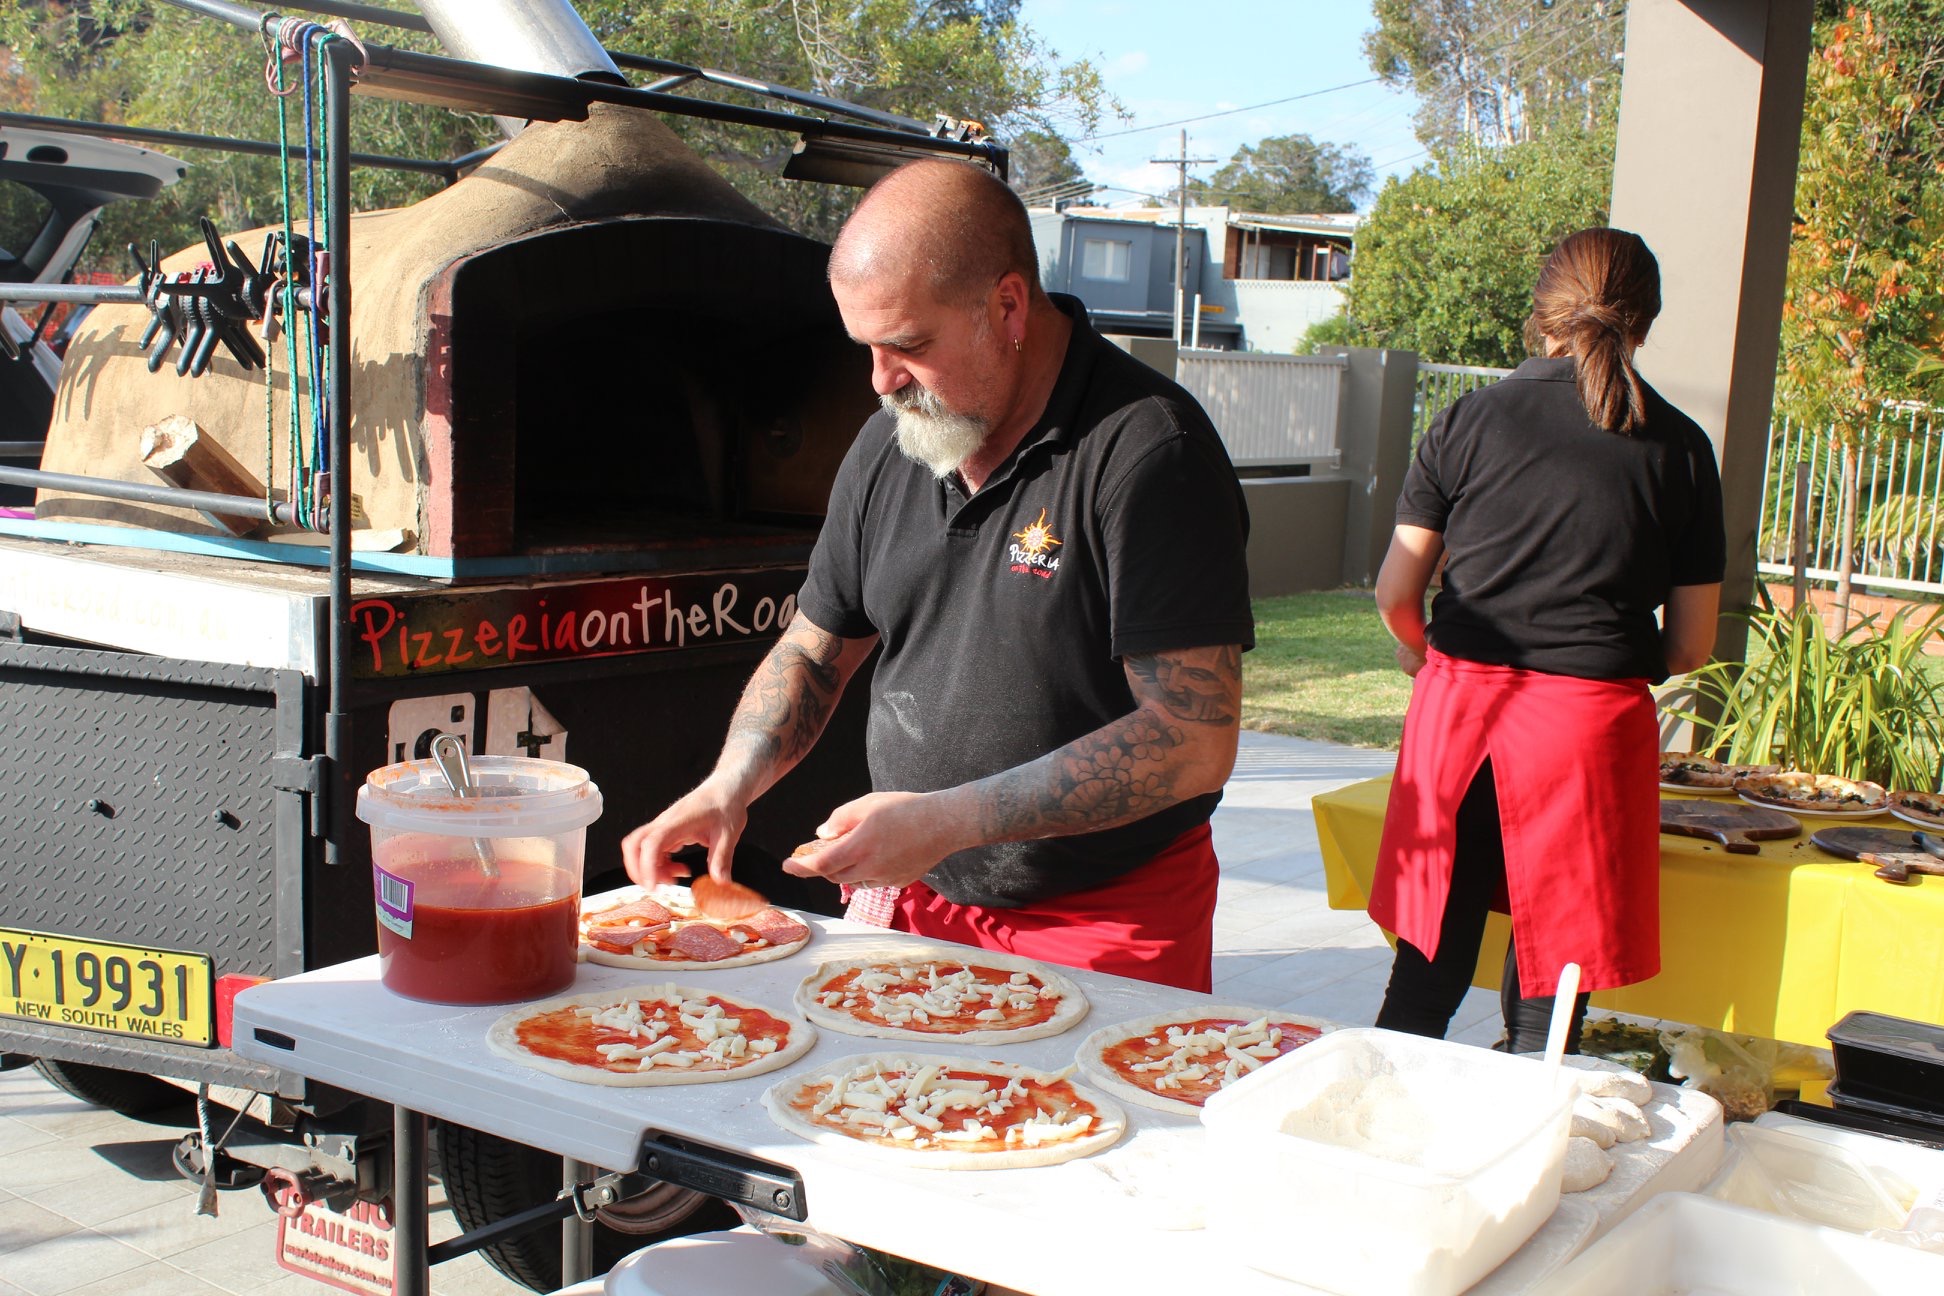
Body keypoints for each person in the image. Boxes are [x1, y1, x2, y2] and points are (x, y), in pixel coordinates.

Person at [621, 159, 1253, 992]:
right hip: (918, 897)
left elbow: (1194, 738)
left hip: (1102, 915)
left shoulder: (1147, 451)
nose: (881, 381)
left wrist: (947, 820)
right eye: (869, 348)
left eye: (909, 346)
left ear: (1008, 307)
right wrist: (731, 784)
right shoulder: (889, 442)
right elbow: (815, 650)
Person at [1368, 227, 1724, 1054]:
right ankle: (1532, 1165)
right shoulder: (1680, 449)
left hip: (1460, 725)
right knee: (1550, 1005)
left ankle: (1373, 1148)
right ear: (1646, 319)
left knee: (1422, 982)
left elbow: (1396, 591)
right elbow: (1691, 647)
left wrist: (1423, 651)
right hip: (1586, 737)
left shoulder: (1468, 420)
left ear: (1542, 314)